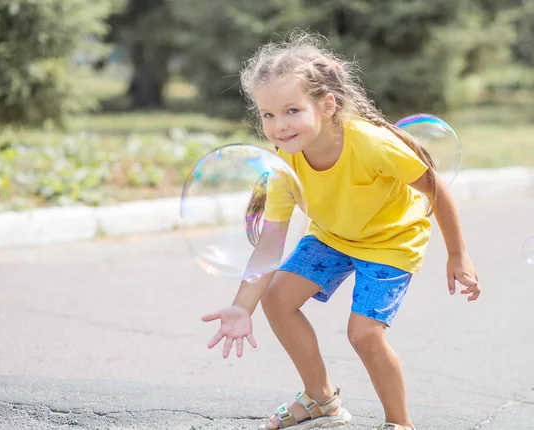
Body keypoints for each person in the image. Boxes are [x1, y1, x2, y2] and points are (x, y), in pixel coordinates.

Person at [201, 30, 480, 430]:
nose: (279, 125)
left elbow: (435, 186)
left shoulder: (371, 144)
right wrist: (241, 306)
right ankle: (321, 399)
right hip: (333, 236)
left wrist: (458, 253)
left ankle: (399, 423)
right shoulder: (285, 164)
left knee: (364, 334)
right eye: (268, 115)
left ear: (327, 104)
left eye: (292, 111)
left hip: (391, 241)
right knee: (277, 299)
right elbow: (270, 242)